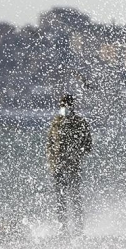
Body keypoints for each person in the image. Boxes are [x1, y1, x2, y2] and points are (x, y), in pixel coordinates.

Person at [46, 94, 92, 236]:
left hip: (73, 165)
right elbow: (49, 144)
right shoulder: (56, 122)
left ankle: (78, 228)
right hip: (57, 165)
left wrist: (77, 153)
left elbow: (88, 145)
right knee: (60, 199)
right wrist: (51, 159)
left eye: (67, 105)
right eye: (62, 105)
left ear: (72, 106)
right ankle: (63, 228)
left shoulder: (81, 123)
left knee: (75, 197)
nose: (64, 108)